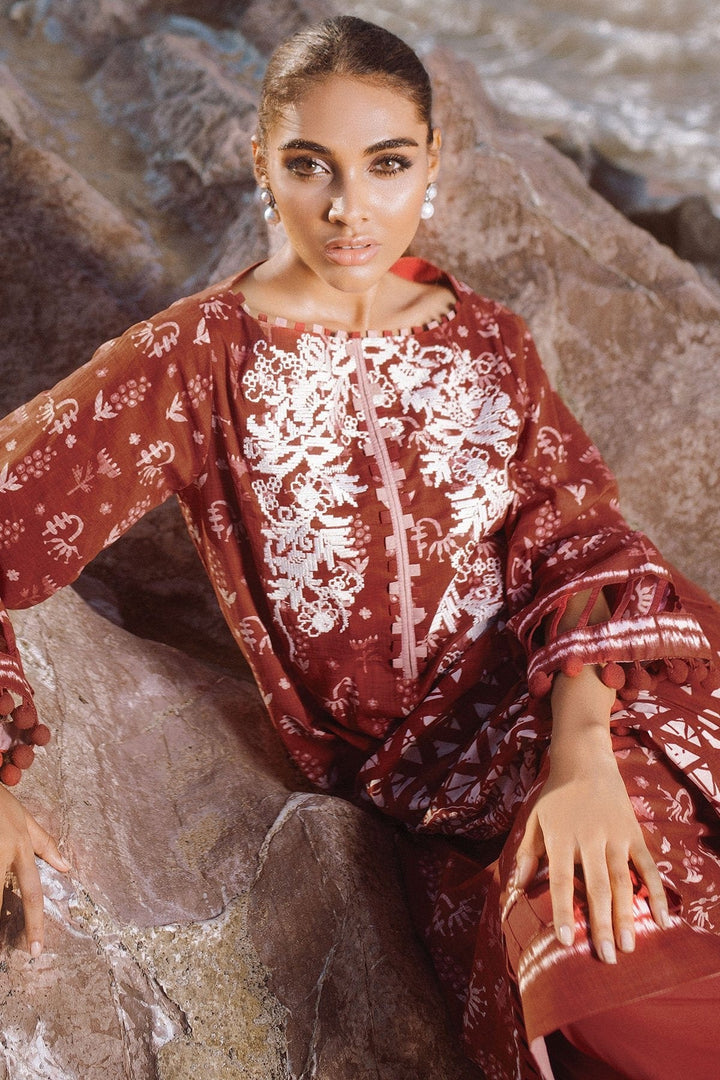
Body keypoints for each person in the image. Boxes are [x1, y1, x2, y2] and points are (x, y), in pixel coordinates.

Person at [1, 14, 720, 1079]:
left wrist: (584, 760)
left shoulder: (487, 339)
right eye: (311, 166)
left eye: (386, 164)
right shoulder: (200, 359)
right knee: (610, 964)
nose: (349, 208)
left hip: (601, 706)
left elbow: (579, 544)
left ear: (430, 162)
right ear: (262, 163)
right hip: (441, 788)